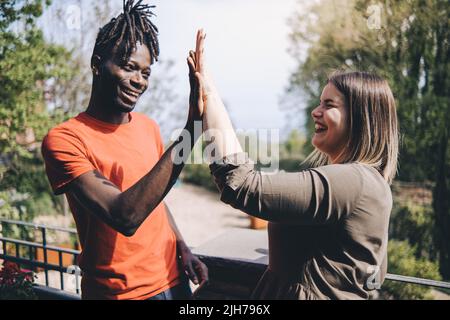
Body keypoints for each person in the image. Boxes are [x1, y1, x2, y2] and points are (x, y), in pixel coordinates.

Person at [189, 30, 399, 299]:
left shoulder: (352, 180)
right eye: (319, 102)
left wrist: (209, 93)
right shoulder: (370, 182)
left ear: (360, 119)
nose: (316, 111)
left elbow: (241, 185)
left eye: (329, 104)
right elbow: (372, 272)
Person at [41, 1, 207, 300]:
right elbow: (125, 215)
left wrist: (182, 247)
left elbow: (153, 197)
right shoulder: (65, 139)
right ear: (97, 64)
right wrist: (192, 128)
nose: (138, 81)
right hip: (119, 294)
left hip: (173, 282)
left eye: (145, 72)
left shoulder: (148, 127)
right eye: (129, 67)